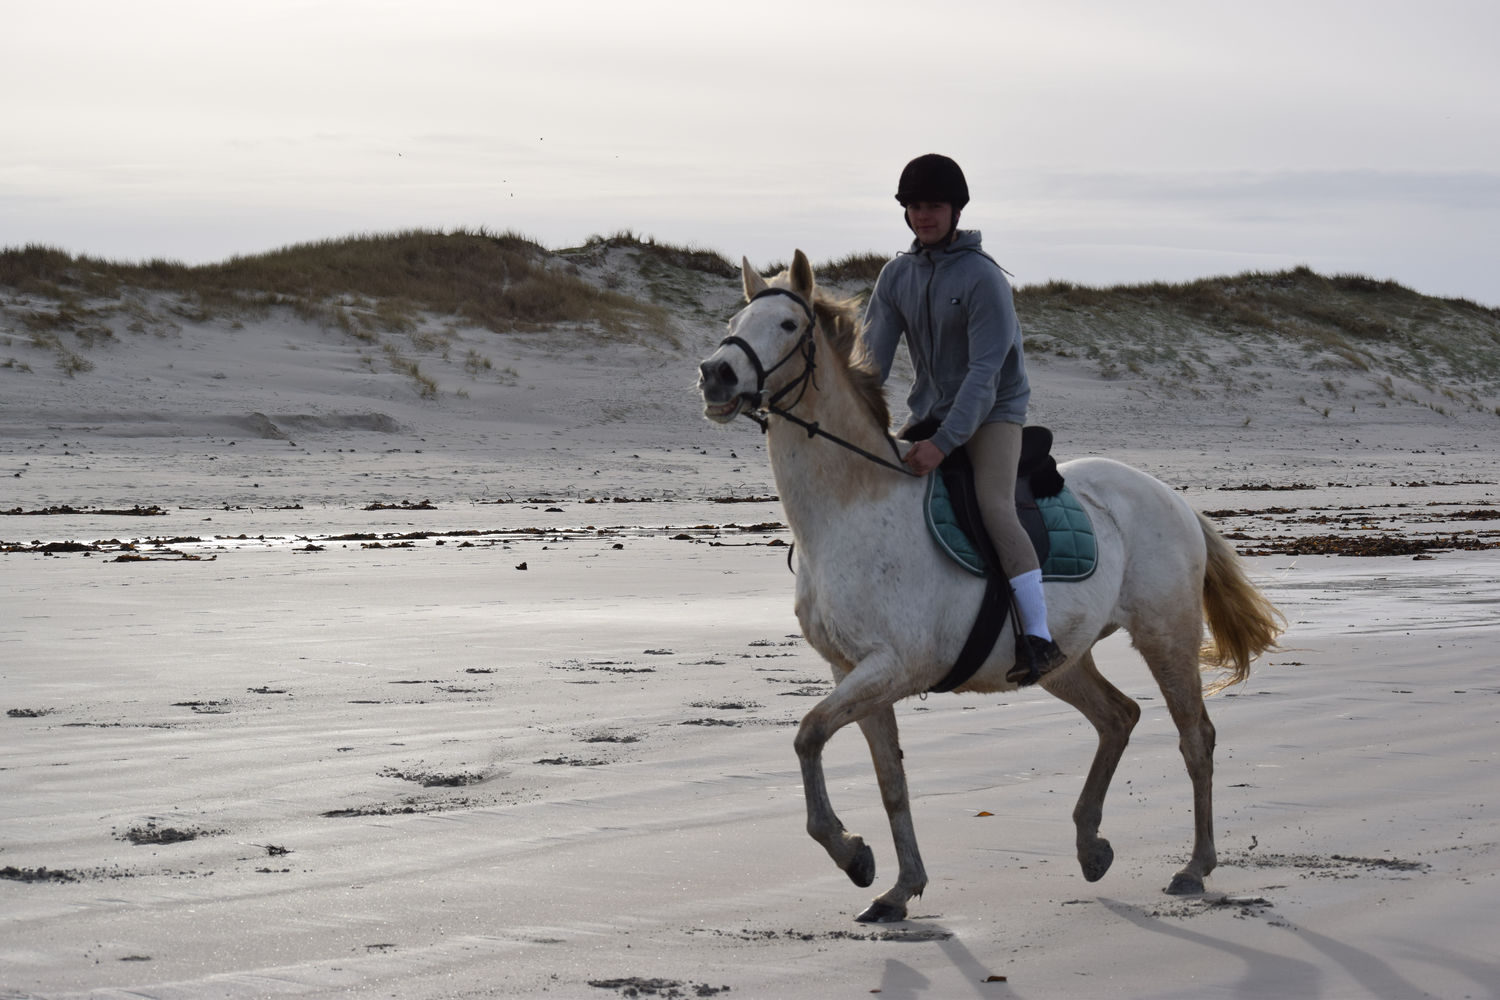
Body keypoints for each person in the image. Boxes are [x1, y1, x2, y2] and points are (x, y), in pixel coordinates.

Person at [862, 153, 1066, 686]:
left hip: (993, 412)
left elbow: (986, 373)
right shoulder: (895, 276)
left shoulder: (983, 277)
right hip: (927, 411)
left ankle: (1039, 638)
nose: (923, 215)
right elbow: (871, 365)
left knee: (995, 507)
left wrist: (946, 442)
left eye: (934, 206)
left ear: (955, 210)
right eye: (914, 206)